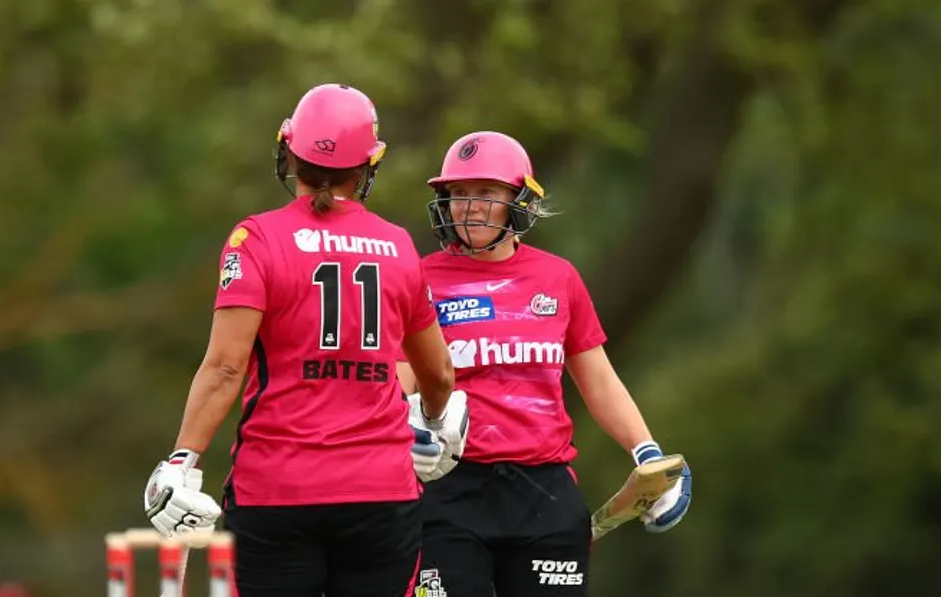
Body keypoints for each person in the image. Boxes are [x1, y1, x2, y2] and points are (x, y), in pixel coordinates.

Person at [142, 84, 469, 597]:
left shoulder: (256, 238)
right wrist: (430, 422)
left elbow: (226, 368)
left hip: (275, 491)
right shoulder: (399, 246)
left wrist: (183, 459)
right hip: (379, 491)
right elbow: (439, 374)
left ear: (288, 151)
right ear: (369, 165)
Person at [398, 131, 693, 597]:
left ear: (520, 201)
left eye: (486, 194)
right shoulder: (418, 278)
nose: (469, 207)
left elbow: (598, 379)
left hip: (544, 491)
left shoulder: (558, 278)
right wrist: (404, 433)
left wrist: (648, 453)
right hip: (449, 493)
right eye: (459, 194)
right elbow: (400, 383)